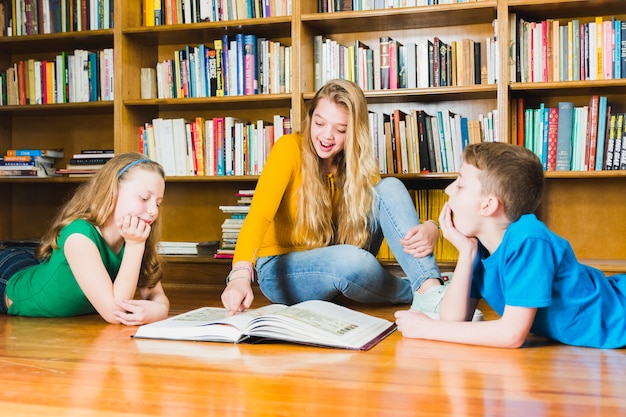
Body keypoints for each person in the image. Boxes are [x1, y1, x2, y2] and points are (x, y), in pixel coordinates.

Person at [221, 79, 449, 315]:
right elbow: (259, 216)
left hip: (339, 252)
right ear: (310, 118)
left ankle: (429, 289)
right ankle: (423, 291)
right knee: (350, 261)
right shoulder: (288, 148)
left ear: (354, 132)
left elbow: (389, 212)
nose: (327, 136)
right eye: (319, 123)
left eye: (340, 129)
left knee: (389, 186)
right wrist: (239, 274)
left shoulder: (358, 163)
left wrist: (431, 227)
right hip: (283, 270)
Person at [395, 141, 626, 349]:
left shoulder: (528, 238)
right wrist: (466, 253)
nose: (448, 190)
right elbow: (453, 319)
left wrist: (427, 328)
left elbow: (512, 334)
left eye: (460, 185)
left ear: (488, 206)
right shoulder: (480, 247)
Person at [0, 152, 170, 325]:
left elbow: (154, 294)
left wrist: (160, 310)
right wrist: (135, 246)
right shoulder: (79, 236)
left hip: (38, 264)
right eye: (144, 198)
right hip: (8, 279)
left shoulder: (135, 235)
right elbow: (115, 313)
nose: (153, 211)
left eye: (158, 203)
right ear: (111, 190)